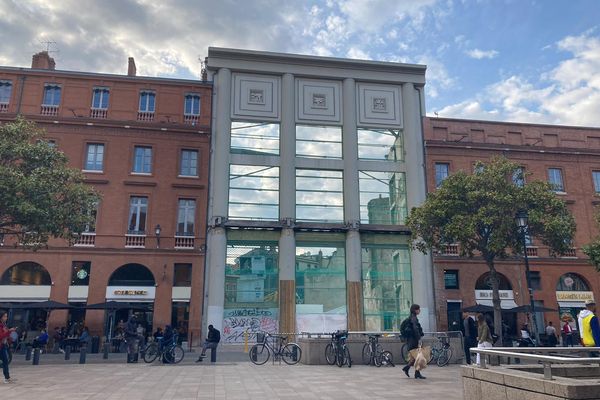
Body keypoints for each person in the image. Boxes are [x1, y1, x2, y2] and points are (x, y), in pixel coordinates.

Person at [401, 304, 426, 379]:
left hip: (411, 340)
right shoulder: (413, 318)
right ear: (415, 310)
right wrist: (419, 338)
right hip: (413, 340)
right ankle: (414, 371)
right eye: (418, 309)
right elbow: (415, 329)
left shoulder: (412, 317)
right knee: (418, 357)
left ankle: (411, 370)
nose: (419, 311)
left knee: (415, 358)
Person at [0, 312, 16, 384]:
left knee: (5, 361)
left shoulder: (4, 325)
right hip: (1, 346)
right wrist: (9, 331)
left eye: (6, 316)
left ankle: (7, 377)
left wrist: (9, 335)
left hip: (3, 345)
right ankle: (7, 378)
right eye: (4, 316)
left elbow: (5, 334)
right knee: (5, 361)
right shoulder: (0, 326)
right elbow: (1, 336)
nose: (6, 318)